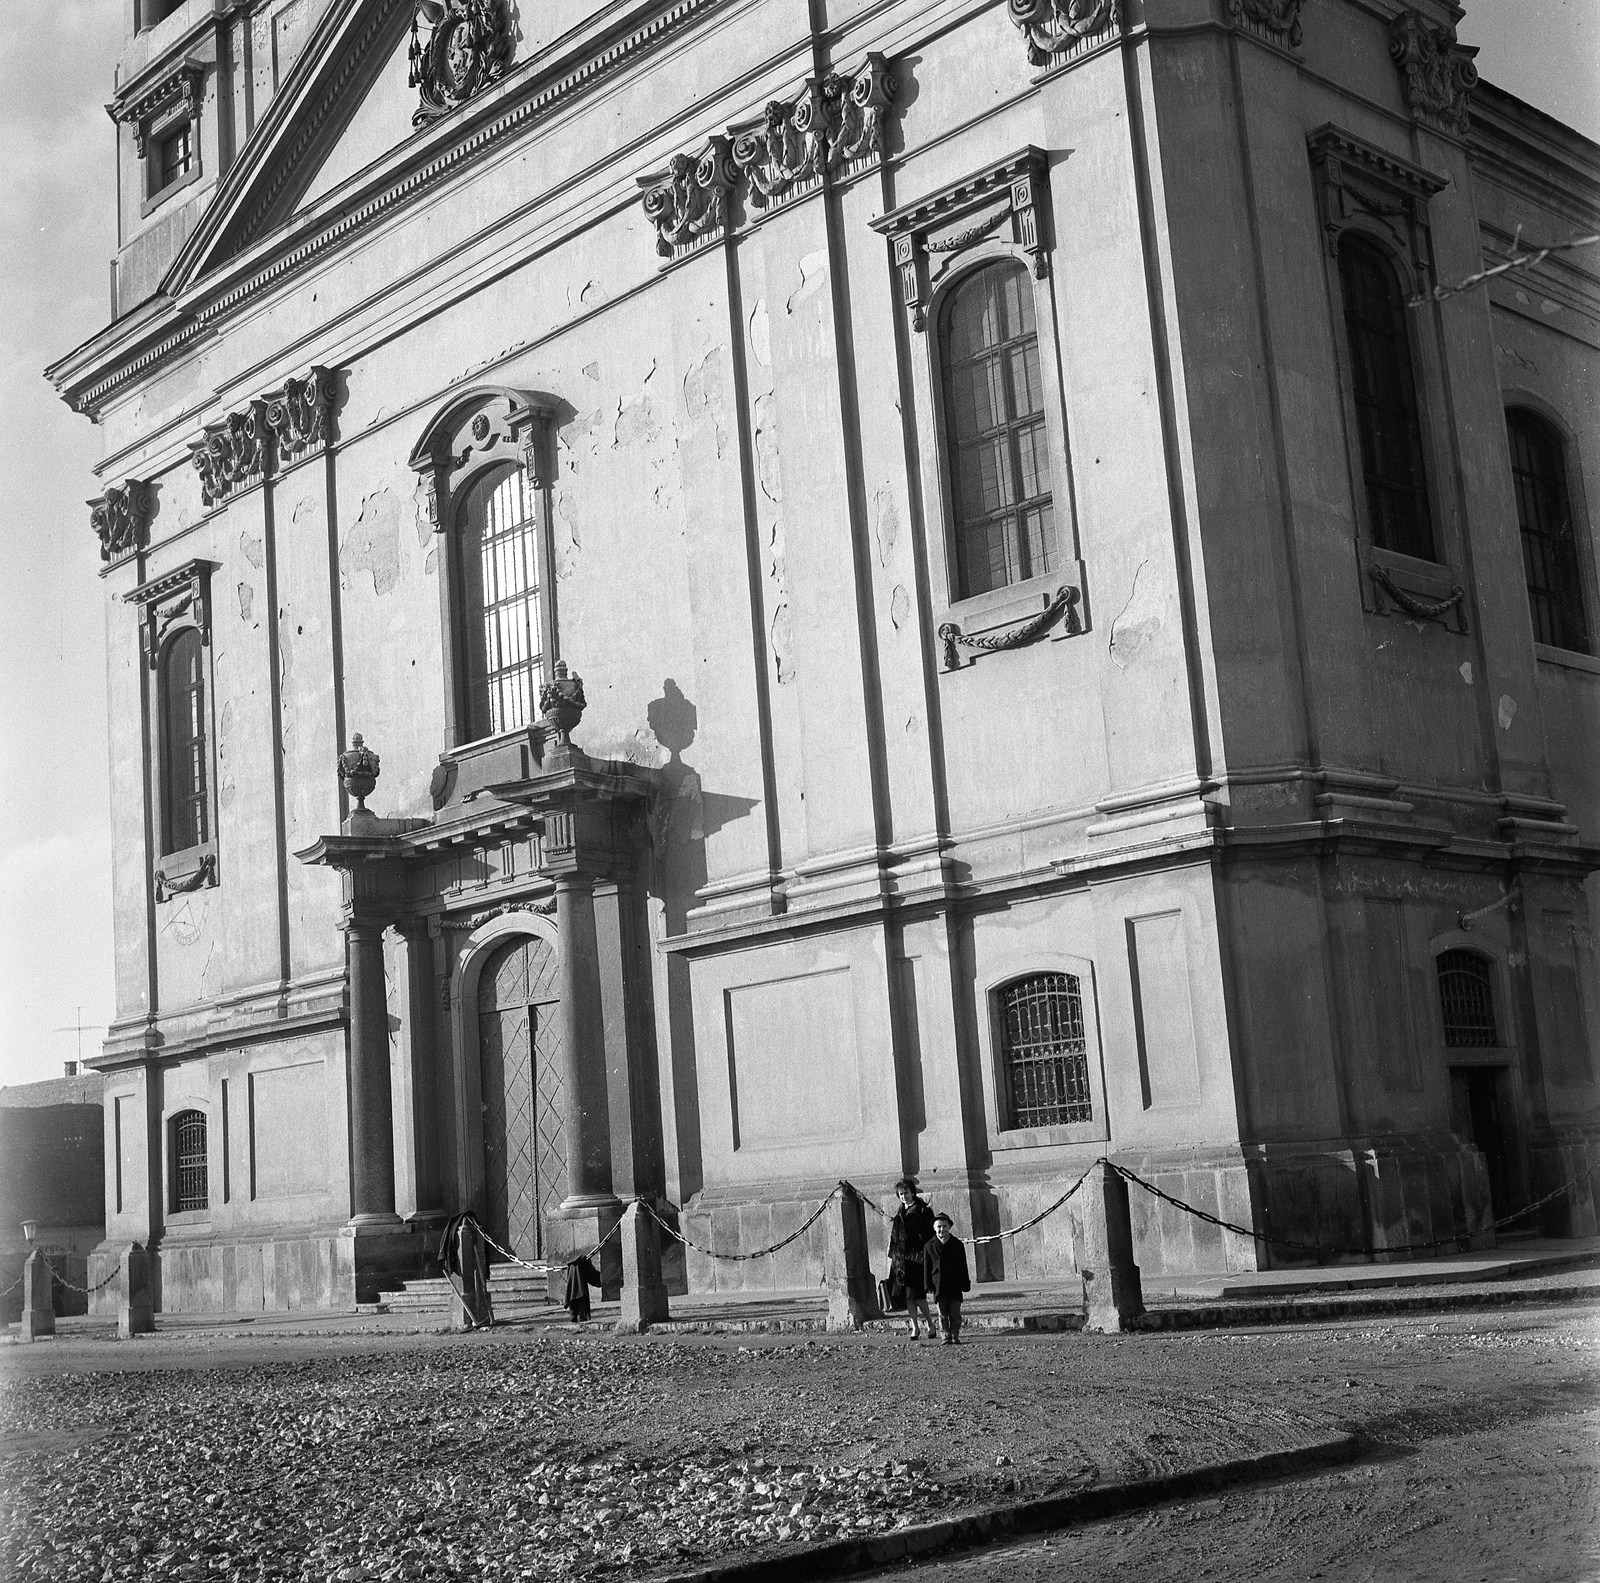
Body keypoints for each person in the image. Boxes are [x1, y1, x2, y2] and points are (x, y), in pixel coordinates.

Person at [888, 1176, 937, 1340]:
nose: (903, 1196)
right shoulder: (899, 1212)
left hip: (918, 1260)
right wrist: (892, 1258)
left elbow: (930, 1237)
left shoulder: (923, 1211)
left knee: (919, 1295)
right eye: (900, 1194)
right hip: (902, 1261)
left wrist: (927, 1257)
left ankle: (930, 1324)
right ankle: (915, 1327)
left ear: (912, 1192)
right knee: (907, 1296)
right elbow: (894, 1237)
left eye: (906, 1193)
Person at [924, 1211, 971, 1345]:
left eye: (944, 1226)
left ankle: (955, 1334)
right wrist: (927, 1284)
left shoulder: (957, 1244)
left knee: (955, 1312)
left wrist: (965, 1282)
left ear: (949, 1227)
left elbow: (963, 1265)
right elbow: (927, 1267)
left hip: (955, 1283)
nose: (942, 1229)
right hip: (939, 1284)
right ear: (934, 1228)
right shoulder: (929, 1245)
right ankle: (945, 1335)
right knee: (942, 1313)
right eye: (938, 1226)